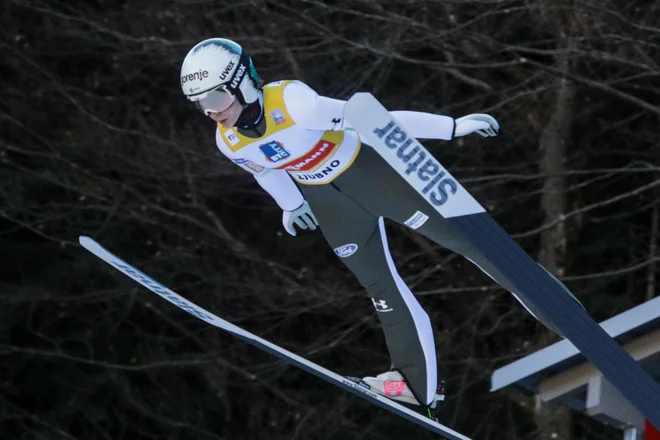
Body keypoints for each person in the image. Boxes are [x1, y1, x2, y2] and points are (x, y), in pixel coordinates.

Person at [179, 38, 554, 411]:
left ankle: (551, 305)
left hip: (370, 174)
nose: (210, 111)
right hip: (329, 203)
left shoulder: (293, 103)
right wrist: (291, 206)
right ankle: (414, 382)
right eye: (199, 103)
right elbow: (265, 171)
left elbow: (376, 121)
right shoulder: (227, 140)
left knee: (466, 241)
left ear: (242, 83)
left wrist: (451, 128)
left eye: (214, 99)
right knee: (378, 285)